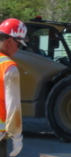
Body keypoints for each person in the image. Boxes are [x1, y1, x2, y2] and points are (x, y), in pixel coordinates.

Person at [0, 18, 26, 157]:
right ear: (10, 41)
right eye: (18, 44)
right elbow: (13, 105)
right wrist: (17, 137)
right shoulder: (9, 68)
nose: (17, 49)